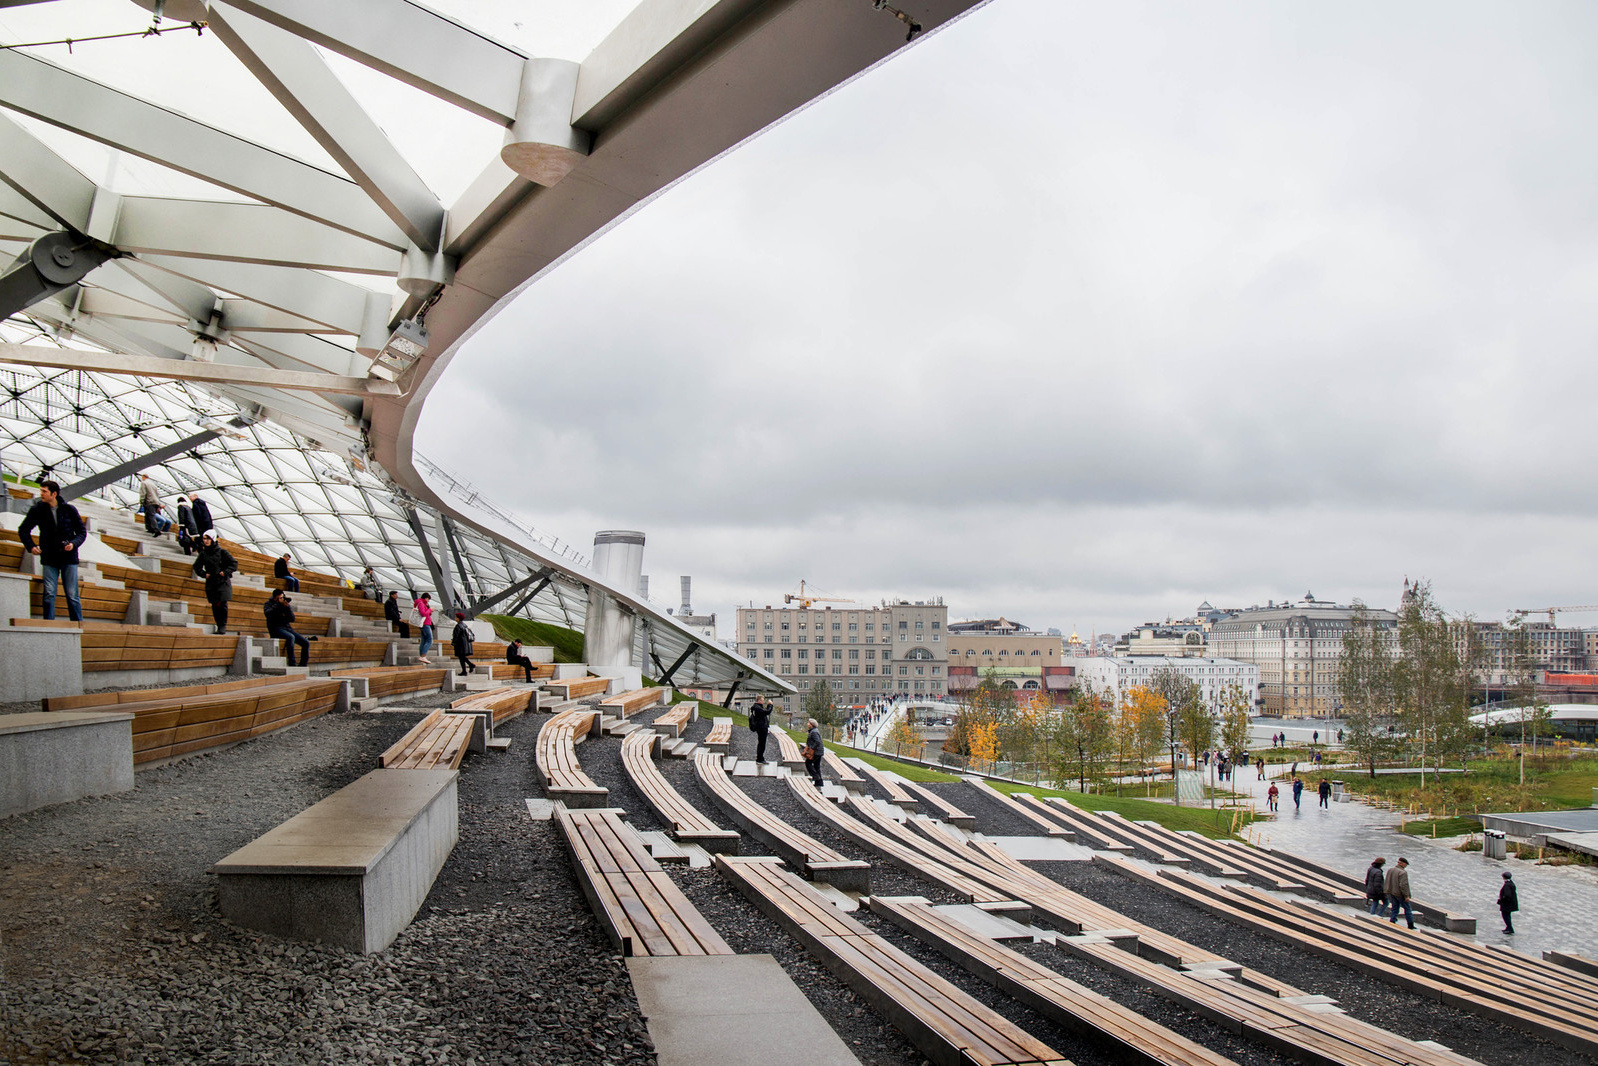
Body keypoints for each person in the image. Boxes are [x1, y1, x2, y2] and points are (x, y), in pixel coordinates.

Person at [17, 479, 86, 622]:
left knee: (72, 595)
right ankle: (48, 625)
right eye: (41, 490)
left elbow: (81, 533)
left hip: (69, 557)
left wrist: (73, 544)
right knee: (49, 593)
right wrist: (31, 546)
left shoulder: (69, 509)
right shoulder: (37, 509)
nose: (41, 494)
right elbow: (23, 530)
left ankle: (78, 626)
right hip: (49, 557)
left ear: (54, 494)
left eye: (44, 491)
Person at [191, 530, 237, 635]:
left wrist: (225, 572)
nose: (206, 541)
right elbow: (196, 566)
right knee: (215, 605)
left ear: (213, 539)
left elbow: (233, 563)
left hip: (222, 582)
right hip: (211, 582)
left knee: (222, 604)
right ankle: (219, 625)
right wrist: (204, 574)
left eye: (208, 539)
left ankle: (222, 626)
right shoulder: (203, 553)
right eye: (204, 539)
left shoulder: (222, 552)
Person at [263, 589, 309, 667]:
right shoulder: (268, 604)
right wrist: (277, 605)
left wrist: (287, 608)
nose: (282, 599)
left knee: (306, 643)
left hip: (287, 628)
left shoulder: (285, 605)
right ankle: (292, 662)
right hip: (275, 628)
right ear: (276, 598)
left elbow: (292, 619)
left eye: (283, 597)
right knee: (291, 637)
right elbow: (268, 614)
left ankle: (303, 664)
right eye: (280, 598)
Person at [1386, 857, 1415, 928]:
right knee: (1407, 909)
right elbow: (1403, 885)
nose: (1406, 866)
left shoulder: (1390, 870)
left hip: (1391, 892)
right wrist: (1406, 896)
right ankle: (1410, 925)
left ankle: (1392, 920)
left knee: (1395, 907)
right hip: (1400, 894)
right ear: (1403, 864)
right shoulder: (1403, 873)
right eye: (1406, 865)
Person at [413, 591, 435, 664]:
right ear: (426, 598)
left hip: (423, 624)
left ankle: (422, 656)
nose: (428, 601)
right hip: (425, 624)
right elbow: (423, 614)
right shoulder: (421, 604)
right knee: (430, 640)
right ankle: (423, 656)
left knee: (424, 640)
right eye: (428, 599)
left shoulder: (421, 603)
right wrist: (430, 610)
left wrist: (429, 610)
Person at [749, 696, 772, 764]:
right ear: (758, 700)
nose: (763, 701)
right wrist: (770, 705)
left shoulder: (757, 707)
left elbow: (765, 712)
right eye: (762, 700)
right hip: (761, 727)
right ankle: (760, 758)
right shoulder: (757, 708)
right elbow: (767, 712)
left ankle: (760, 757)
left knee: (761, 743)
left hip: (761, 727)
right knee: (762, 743)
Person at [803, 717, 825, 786]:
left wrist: (811, 748)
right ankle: (819, 782)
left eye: (809, 723)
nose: (807, 724)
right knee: (816, 766)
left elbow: (817, 741)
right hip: (819, 751)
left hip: (816, 752)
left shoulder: (814, 732)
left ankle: (815, 776)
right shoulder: (814, 731)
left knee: (808, 763)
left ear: (812, 724)